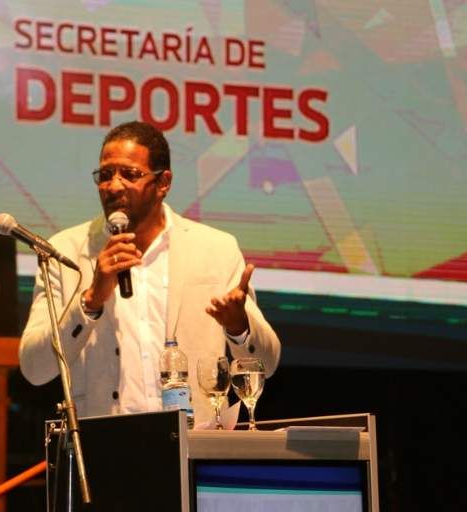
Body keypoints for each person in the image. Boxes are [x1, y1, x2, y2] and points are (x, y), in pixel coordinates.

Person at [19, 120, 281, 426]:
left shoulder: (216, 249)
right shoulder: (64, 253)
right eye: (105, 175)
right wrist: (89, 303)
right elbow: (34, 368)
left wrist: (239, 327)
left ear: (163, 183)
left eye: (130, 174)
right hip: (105, 443)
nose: (114, 186)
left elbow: (267, 363)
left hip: (194, 441)